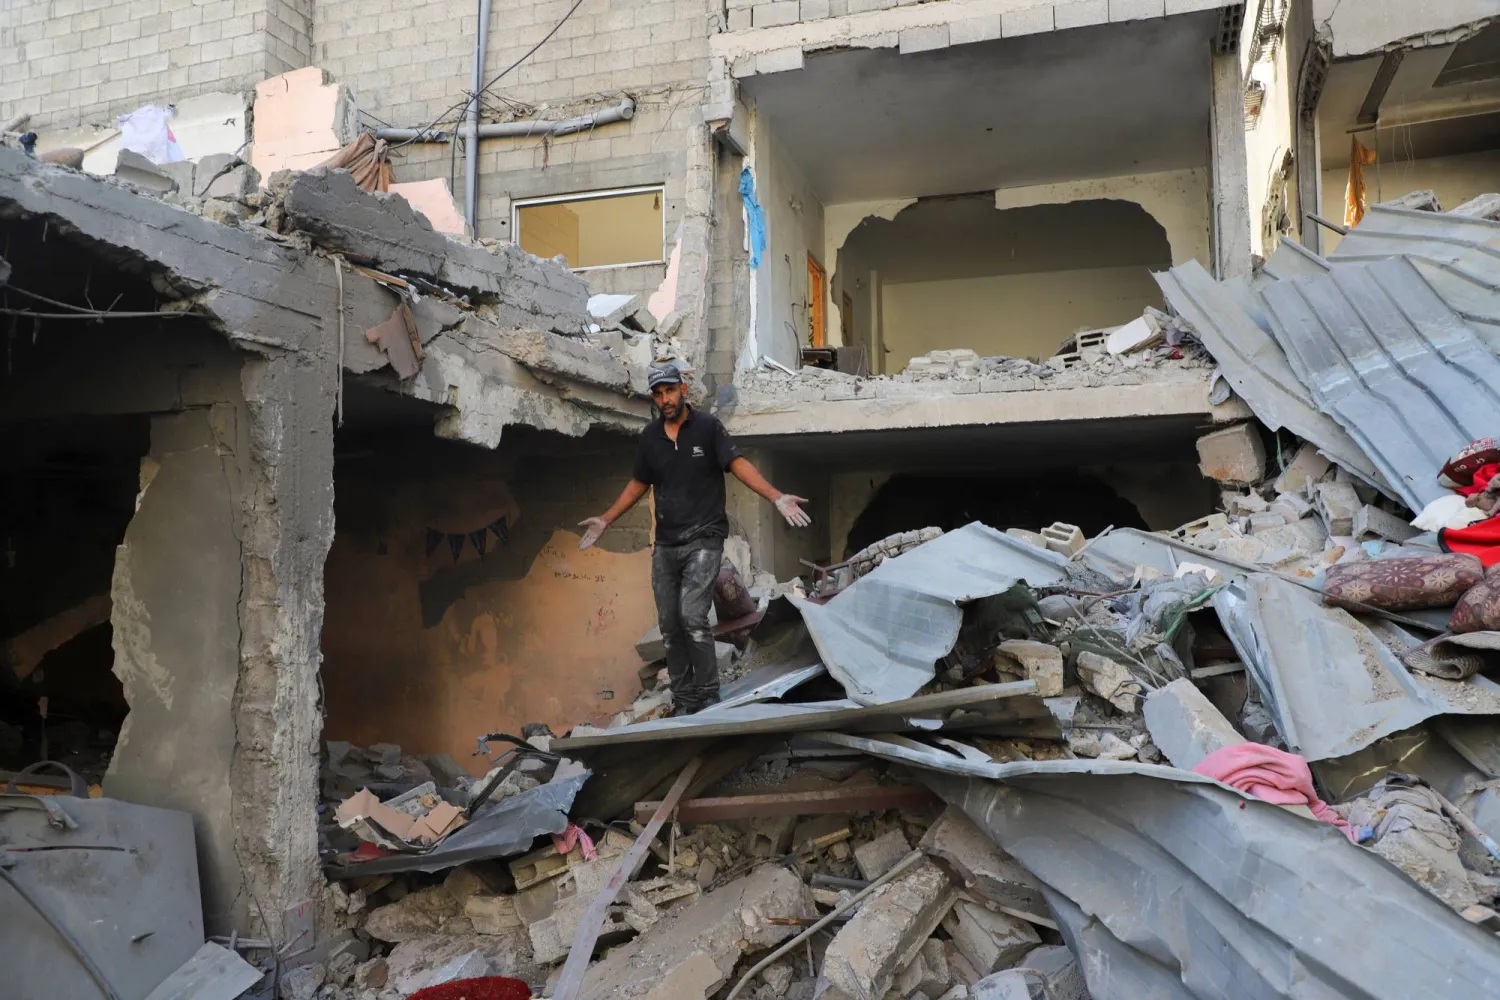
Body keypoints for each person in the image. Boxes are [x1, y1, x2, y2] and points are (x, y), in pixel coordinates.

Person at [579, 362, 811, 715]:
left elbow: (738, 464)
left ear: (682, 389)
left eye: (670, 390)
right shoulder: (650, 437)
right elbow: (639, 483)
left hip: (705, 538)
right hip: (667, 544)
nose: (665, 399)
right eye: (658, 394)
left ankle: (708, 695)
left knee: (692, 616)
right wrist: (606, 520)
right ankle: (684, 700)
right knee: (670, 625)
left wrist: (776, 497)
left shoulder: (707, 428)